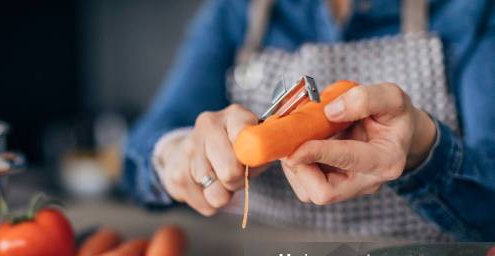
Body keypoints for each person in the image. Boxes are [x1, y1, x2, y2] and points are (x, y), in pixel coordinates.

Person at [122, 0, 495, 241]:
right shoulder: (236, 10)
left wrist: (424, 152)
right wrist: (176, 154)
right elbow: (140, 153)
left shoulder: (470, 10)